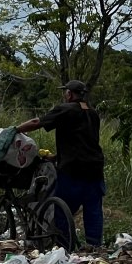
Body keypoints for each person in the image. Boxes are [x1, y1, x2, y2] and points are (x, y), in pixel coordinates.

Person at [16, 79, 105, 248]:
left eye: (66, 92)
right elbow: (85, 141)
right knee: (93, 210)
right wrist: (56, 156)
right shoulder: (92, 113)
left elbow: (37, 122)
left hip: (73, 169)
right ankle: (94, 246)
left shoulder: (65, 109)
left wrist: (15, 130)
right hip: (95, 168)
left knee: (62, 209)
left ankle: (65, 247)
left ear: (69, 94)